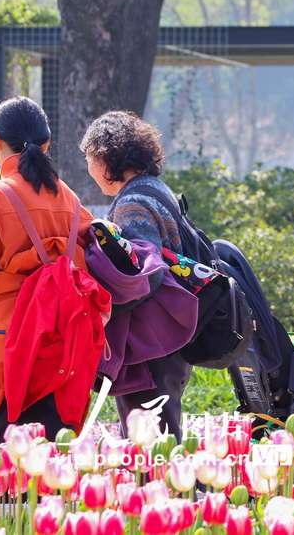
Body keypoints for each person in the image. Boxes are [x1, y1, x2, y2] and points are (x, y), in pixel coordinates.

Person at [0, 97, 98, 458]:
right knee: (45, 468)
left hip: (0, 344)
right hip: (61, 345)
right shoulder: (72, 201)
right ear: (46, 144)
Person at [80, 110, 192, 442]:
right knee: (163, 437)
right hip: (169, 341)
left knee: (152, 446)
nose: (89, 169)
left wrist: (102, 308)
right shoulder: (156, 189)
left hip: (149, 349)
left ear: (104, 159)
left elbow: (145, 276)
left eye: (89, 159)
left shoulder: (132, 203)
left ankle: (165, 494)